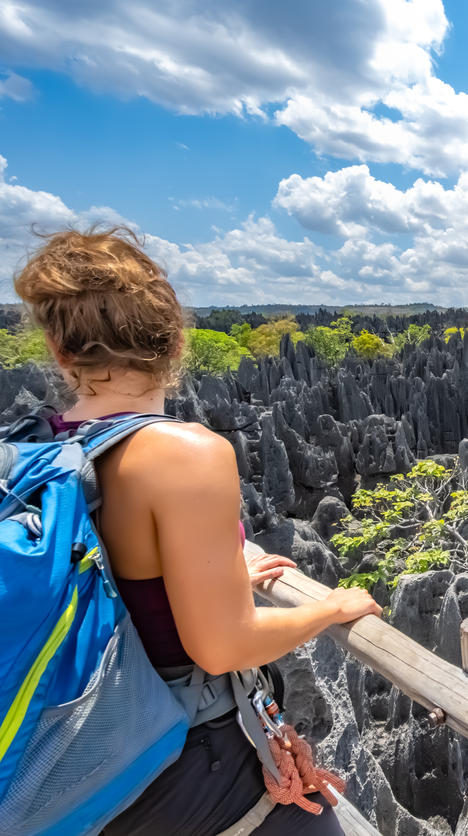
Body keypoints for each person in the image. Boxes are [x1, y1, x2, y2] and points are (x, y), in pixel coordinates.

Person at [12, 225, 382, 836]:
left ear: (59, 350)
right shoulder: (183, 454)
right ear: (176, 339)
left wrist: (223, 574)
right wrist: (331, 608)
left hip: (79, 762)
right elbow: (224, 646)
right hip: (180, 767)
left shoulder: (41, 450)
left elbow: (116, 582)